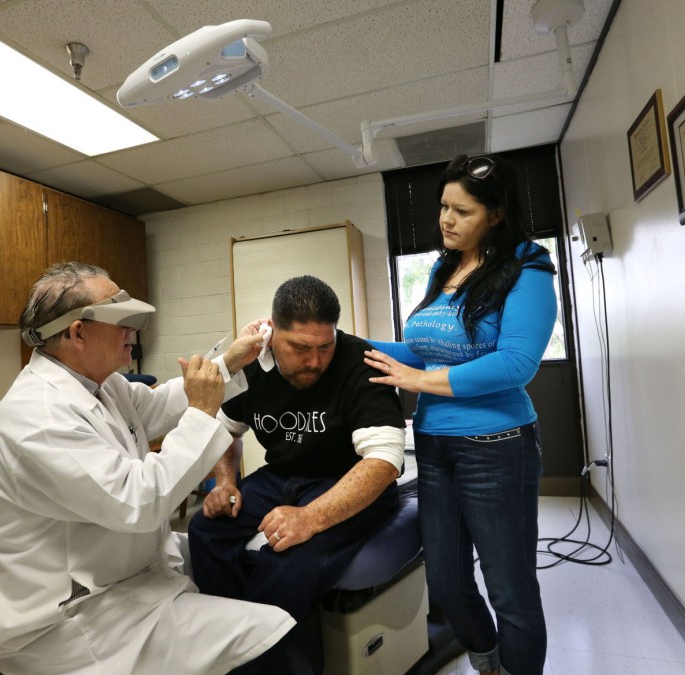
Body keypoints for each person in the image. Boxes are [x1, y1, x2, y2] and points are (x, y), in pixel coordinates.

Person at [0, 262, 295, 675]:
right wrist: (202, 411)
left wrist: (230, 363)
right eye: (123, 320)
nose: (134, 331)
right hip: (72, 620)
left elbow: (159, 406)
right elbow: (141, 501)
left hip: (120, 571)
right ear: (77, 332)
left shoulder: (103, 383)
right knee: (273, 633)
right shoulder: (38, 417)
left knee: (242, 559)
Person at [363, 154, 557, 675]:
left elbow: (516, 363)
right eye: (443, 207)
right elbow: (417, 351)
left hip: (498, 445)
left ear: (495, 214)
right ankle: (487, 659)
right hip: (433, 443)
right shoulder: (445, 266)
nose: (446, 220)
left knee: (510, 588)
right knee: (447, 582)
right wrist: (336, 343)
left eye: (462, 211)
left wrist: (421, 383)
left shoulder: (527, 267)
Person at [188, 275, 407, 625]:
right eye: (301, 349)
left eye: (325, 347)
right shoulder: (250, 364)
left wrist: (309, 518)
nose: (315, 361)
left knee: (288, 560)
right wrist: (225, 482)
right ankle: (227, 633)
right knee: (204, 530)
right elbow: (226, 430)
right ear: (272, 334)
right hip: (282, 477)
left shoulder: (359, 361)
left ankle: (266, 658)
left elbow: (384, 462)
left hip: (348, 479)